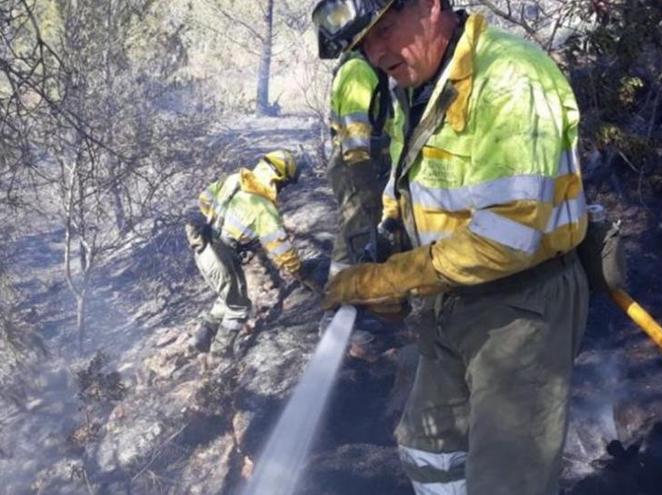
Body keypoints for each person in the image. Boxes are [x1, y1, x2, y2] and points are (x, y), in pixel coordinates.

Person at [321, 1, 590, 494]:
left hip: (520, 308)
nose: (377, 53)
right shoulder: (422, 85)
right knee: (429, 449)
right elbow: (414, 184)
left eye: (384, 29)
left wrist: (394, 276)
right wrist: (389, 242)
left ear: (431, 5)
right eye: (364, 45)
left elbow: (507, 238)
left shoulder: (508, 78)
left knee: (509, 482)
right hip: (450, 297)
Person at [185, 150, 306, 358]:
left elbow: (204, 199)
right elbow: (281, 248)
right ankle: (220, 354)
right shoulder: (264, 208)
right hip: (221, 256)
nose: (282, 189)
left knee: (228, 296)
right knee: (239, 307)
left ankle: (201, 338)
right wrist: (299, 271)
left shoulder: (233, 181)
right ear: (275, 177)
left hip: (203, 247)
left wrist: (217, 220)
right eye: (283, 184)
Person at [313, 0, 393, 276]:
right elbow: (355, 128)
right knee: (357, 228)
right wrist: (363, 174)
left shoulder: (359, 66)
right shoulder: (358, 69)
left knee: (359, 225)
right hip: (355, 164)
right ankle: (342, 297)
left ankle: (352, 288)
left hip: (356, 161)